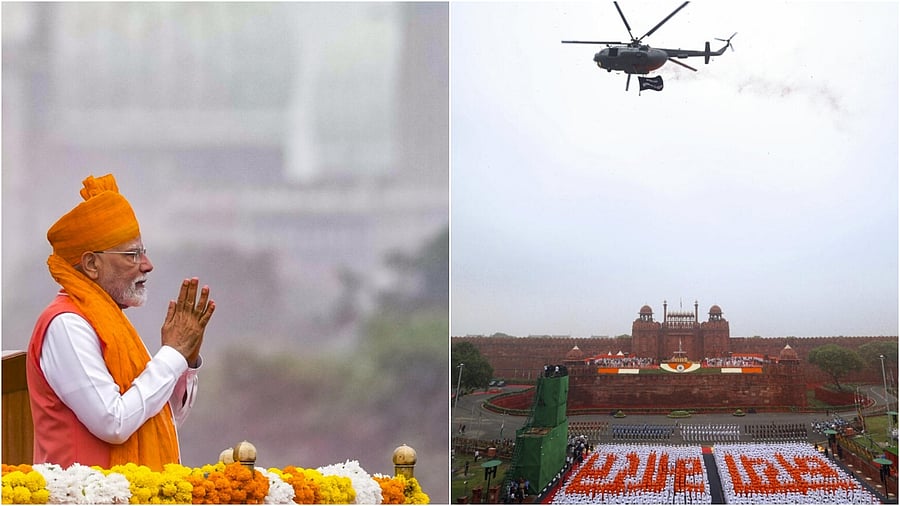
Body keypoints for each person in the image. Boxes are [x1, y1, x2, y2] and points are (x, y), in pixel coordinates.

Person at [25, 174, 216, 471]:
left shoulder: (112, 321)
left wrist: (184, 362)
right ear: (91, 264)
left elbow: (160, 416)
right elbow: (113, 422)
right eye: (132, 254)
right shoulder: (66, 324)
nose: (147, 264)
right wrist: (171, 356)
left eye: (144, 251)